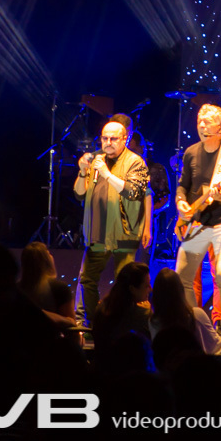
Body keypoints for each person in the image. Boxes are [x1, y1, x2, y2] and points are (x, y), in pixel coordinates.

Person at [174, 104, 221, 348]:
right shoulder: (191, 152)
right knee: (181, 275)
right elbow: (183, 184)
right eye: (199, 121)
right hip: (197, 220)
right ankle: (192, 323)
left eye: (207, 122)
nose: (201, 126)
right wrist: (181, 202)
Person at [74, 120, 149, 326]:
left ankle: (125, 325)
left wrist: (107, 174)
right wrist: (82, 171)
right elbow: (79, 194)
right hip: (98, 232)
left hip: (124, 233)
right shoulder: (96, 159)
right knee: (87, 280)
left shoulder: (135, 162)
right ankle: (89, 323)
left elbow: (134, 192)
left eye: (113, 138)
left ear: (125, 139)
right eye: (104, 138)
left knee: (126, 283)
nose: (108, 142)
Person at [149, 267, 221, 355]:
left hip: (167, 368)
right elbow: (216, 345)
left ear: (156, 293)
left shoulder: (153, 322)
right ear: (180, 290)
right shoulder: (197, 315)